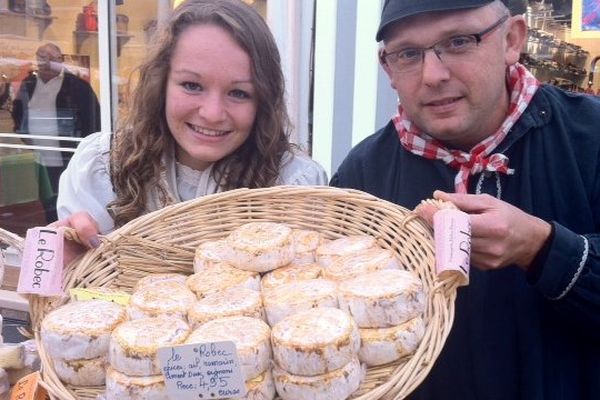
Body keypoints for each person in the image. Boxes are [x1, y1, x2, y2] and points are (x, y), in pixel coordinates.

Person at [331, 1, 600, 399]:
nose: (433, 75)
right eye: (408, 53)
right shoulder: (363, 173)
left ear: (512, 39)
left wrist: (542, 248)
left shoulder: (590, 137)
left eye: (458, 42)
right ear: (388, 68)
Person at [55, 0, 327, 254]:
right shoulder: (104, 165)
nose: (212, 113)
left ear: (263, 100)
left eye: (239, 93)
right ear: (161, 83)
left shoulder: (293, 183)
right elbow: (60, 290)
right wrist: (55, 260)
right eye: (192, 86)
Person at [11, 42, 100, 222]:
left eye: (52, 59)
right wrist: (24, 137)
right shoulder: (29, 84)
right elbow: (18, 112)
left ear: (61, 60)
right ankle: (49, 235)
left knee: (69, 203)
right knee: (45, 201)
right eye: (42, 58)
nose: (47, 63)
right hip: (37, 157)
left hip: (68, 157)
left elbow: (93, 121)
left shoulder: (77, 86)